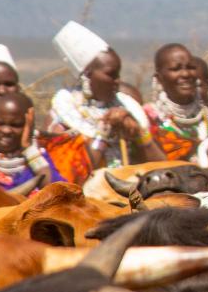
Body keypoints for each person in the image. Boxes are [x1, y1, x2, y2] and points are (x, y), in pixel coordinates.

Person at [46, 22, 153, 183]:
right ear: (88, 75)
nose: (118, 81)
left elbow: (160, 165)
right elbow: (71, 177)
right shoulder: (64, 114)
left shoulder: (127, 106)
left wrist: (138, 133)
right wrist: (103, 133)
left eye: (118, 74)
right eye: (111, 74)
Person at [0, 90, 52, 198]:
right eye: (0, 123)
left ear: (29, 127)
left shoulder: (41, 160)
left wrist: (28, 149)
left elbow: (54, 194)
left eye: (15, 125)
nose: (6, 130)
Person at [144, 43, 208, 162]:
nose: (186, 74)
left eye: (190, 67)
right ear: (159, 78)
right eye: (176, 69)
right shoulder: (148, 120)